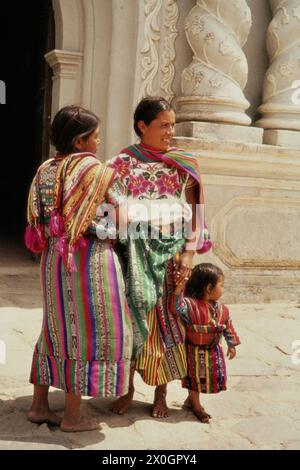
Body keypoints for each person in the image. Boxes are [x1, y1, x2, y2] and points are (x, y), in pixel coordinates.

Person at [25, 105, 133, 432]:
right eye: (95, 136)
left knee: (55, 327)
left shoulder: (45, 169)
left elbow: (38, 218)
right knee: (87, 331)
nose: (99, 143)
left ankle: (39, 406)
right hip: (90, 260)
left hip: (54, 259)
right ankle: (72, 416)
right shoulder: (96, 171)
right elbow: (123, 217)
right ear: (80, 140)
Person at [108, 96, 212, 418]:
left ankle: (161, 393)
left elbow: (196, 212)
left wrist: (189, 254)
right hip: (134, 255)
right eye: (164, 125)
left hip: (172, 255)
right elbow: (114, 208)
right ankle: (126, 389)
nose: (170, 132)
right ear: (143, 126)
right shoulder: (121, 163)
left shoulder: (184, 162)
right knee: (132, 318)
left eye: (173, 125)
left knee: (167, 321)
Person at [169, 263, 241, 423]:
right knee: (195, 380)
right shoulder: (189, 305)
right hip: (195, 352)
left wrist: (232, 344)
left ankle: (191, 401)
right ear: (209, 288)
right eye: (221, 285)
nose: (223, 289)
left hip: (213, 352)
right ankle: (197, 407)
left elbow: (227, 325)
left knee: (208, 379)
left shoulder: (222, 309)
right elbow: (175, 308)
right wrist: (178, 290)